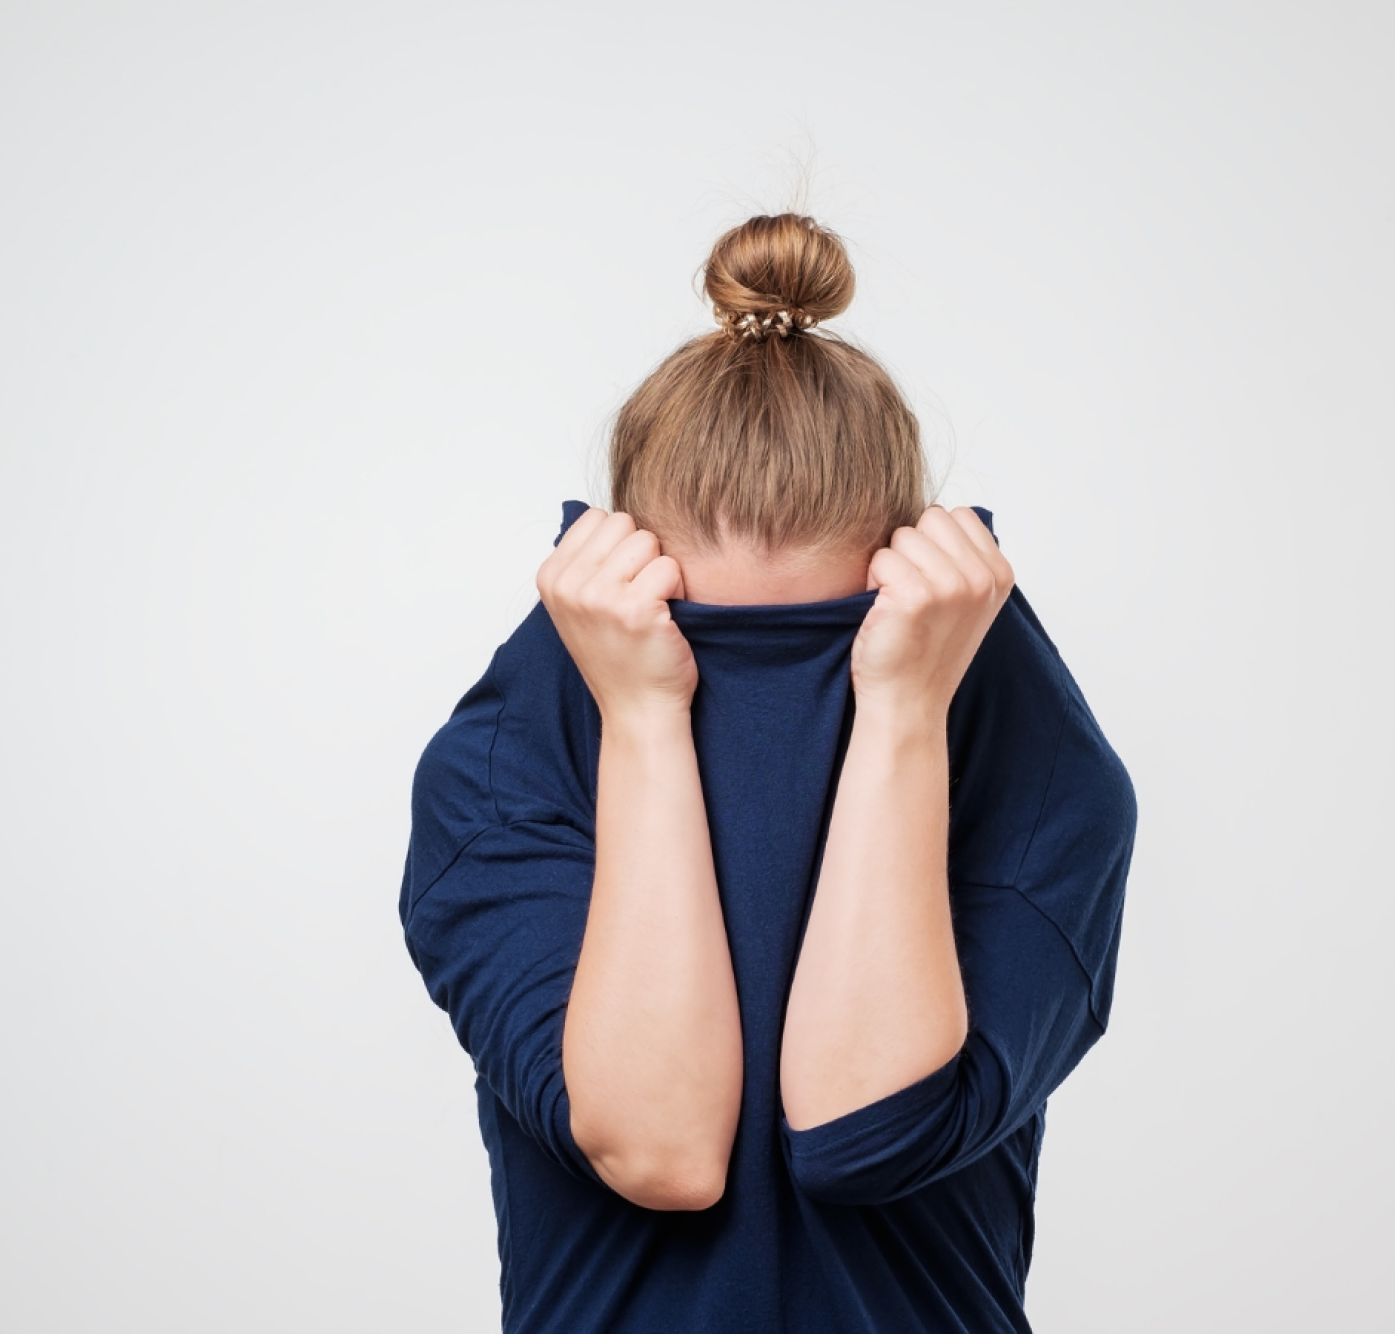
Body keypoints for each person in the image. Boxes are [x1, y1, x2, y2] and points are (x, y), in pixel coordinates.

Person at [399, 213, 1137, 1333]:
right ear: (610, 601)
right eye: (707, 647)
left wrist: (900, 710)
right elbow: (660, 1148)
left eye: (825, 653)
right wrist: (644, 715)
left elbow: (864, 1132)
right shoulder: (503, 773)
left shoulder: (1037, 777)